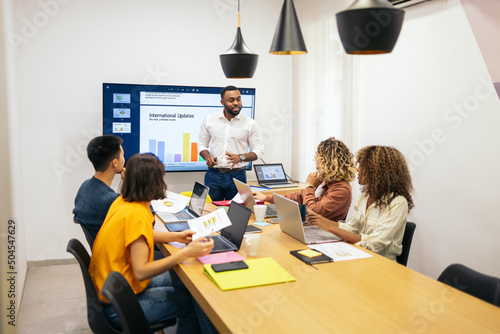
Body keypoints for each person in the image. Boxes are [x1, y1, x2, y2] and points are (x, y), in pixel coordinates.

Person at [89, 153, 216, 333]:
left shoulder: (123, 202)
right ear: (155, 182)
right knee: (193, 301)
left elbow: (141, 234)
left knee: (185, 282)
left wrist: (176, 237)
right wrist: (186, 253)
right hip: (119, 306)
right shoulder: (137, 214)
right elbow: (141, 272)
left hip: (113, 289)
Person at [306, 145, 414, 261]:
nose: (358, 169)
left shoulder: (398, 203)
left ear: (377, 171)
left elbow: (375, 243)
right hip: (358, 255)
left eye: (362, 166)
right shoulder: (366, 196)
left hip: (380, 264)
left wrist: (330, 227)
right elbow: (352, 228)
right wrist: (321, 221)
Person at [253, 137, 356, 221]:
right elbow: (297, 197)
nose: (316, 168)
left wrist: (310, 186)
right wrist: (266, 198)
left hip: (322, 234)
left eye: (319, 164)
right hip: (310, 226)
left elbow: (313, 212)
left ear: (329, 165)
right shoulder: (326, 182)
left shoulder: (341, 189)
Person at [198, 85, 264, 201]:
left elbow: (259, 150)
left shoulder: (250, 123)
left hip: (237, 176)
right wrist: (208, 157)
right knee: (209, 210)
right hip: (214, 175)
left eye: (238, 99)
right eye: (231, 100)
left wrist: (241, 157)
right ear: (222, 102)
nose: (236, 103)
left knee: (236, 213)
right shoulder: (210, 120)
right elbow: (202, 144)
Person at [73, 135, 125, 238]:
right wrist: (133, 183)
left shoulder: (84, 186)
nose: (124, 158)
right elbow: (148, 224)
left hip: (101, 249)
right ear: (115, 163)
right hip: (117, 252)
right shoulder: (112, 201)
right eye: (123, 155)